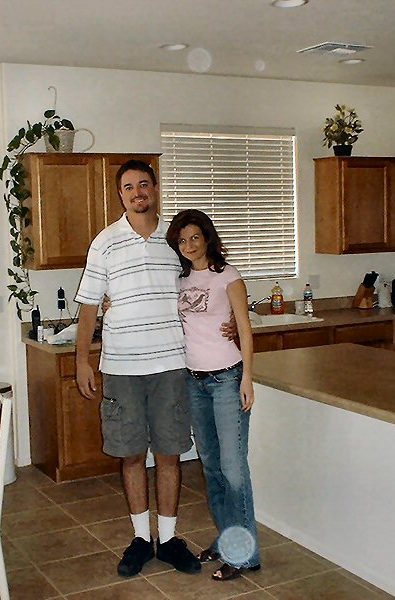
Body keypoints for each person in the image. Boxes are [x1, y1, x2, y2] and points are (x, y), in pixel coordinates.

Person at [74, 159, 201, 577]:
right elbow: (89, 306)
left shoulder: (177, 239)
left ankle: (169, 540)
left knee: (169, 453)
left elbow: (204, 282)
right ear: (120, 195)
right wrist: (82, 360)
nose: (137, 192)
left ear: (155, 189)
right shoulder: (105, 242)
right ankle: (141, 540)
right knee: (130, 454)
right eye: (128, 187)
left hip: (172, 363)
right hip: (122, 366)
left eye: (143, 184)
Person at [165, 209, 262, 582]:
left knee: (234, 470)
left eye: (194, 237)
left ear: (207, 238)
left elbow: (245, 329)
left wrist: (247, 379)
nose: (189, 245)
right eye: (182, 240)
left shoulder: (228, 276)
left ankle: (244, 554)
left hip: (227, 380)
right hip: (194, 382)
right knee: (211, 468)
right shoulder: (179, 279)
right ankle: (227, 542)